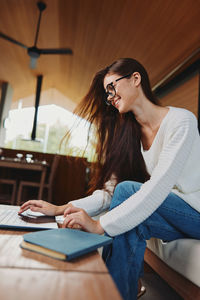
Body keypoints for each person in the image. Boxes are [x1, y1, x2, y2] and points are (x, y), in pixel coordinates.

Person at [19, 58, 200, 300]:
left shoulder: (181, 121)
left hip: (195, 213)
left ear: (136, 79)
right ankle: (123, 291)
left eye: (111, 88)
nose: (110, 97)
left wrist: (100, 226)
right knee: (130, 216)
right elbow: (109, 192)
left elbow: (158, 187)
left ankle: (110, 293)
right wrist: (61, 208)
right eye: (107, 94)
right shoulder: (131, 135)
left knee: (127, 193)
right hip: (171, 214)